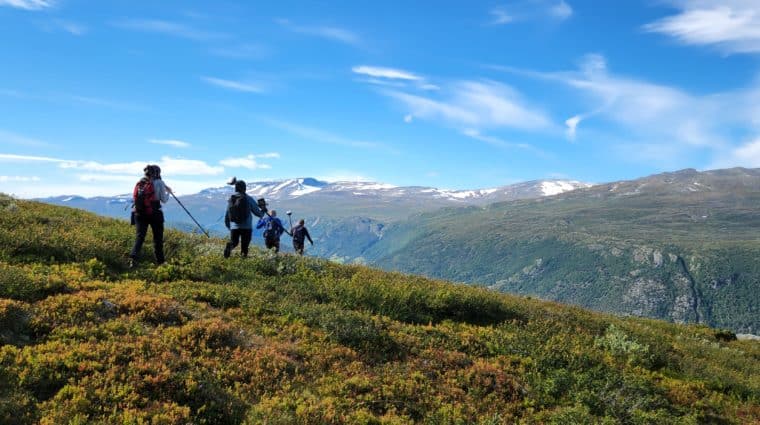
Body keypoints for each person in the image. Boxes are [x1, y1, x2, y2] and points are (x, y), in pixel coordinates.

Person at [129, 164, 172, 267]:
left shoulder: (141, 182)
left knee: (140, 237)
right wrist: (168, 192)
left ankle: (133, 259)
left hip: (139, 213)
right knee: (158, 239)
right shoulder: (160, 183)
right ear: (158, 173)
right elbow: (164, 200)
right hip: (155, 213)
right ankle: (160, 262)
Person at [223, 179, 265, 258]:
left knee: (234, 242)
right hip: (246, 227)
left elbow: (227, 214)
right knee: (244, 247)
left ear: (236, 188)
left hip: (234, 227)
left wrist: (229, 226)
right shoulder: (248, 198)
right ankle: (243, 261)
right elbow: (258, 213)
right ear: (244, 188)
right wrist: (263, 210)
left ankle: (226, 257)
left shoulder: (231, 199)